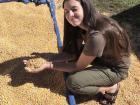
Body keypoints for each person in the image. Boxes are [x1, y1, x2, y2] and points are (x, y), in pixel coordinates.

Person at [23, 0, 131, 104]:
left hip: (115, 69)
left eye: (74, 9)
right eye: (66, 11)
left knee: (73, 82)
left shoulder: (96, 36)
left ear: (85, 7)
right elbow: (71, 53)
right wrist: (47, 58)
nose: (70, 15)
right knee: (74, 55)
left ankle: (111, 88)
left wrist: (48, 64)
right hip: (104, 56)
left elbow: (77, 66)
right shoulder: (82, 24)